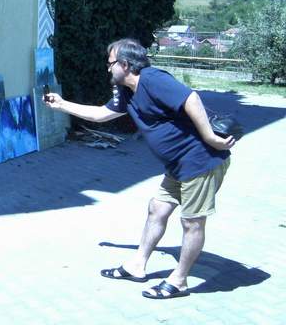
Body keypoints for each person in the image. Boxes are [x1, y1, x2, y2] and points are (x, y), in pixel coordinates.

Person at [44, 38, 235, 299]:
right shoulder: (127, 92)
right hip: (177, 164)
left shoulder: (152, 79)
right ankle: (137, 265)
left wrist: (210, 137)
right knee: (157, 209)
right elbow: (100, 114)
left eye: (110, 63)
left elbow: (191, 98)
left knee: (192, 222)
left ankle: (179, 280)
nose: (107, 68)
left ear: (124, 64)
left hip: (200, 160)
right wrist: (62, 104)